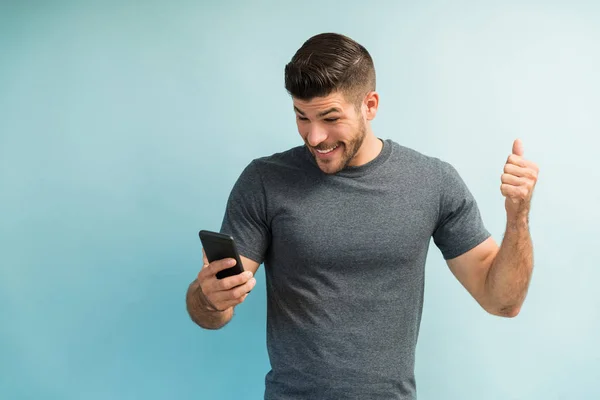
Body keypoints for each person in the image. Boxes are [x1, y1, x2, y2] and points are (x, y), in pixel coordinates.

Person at [186, 32, 539, 400]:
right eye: (301, 117)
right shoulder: (264, 181)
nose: (315, 136)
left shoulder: (433, 182)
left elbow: (503, 302)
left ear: (369, 105)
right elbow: (211, 312)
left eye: (330, 117)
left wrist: (518, 218)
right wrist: (210, 297)